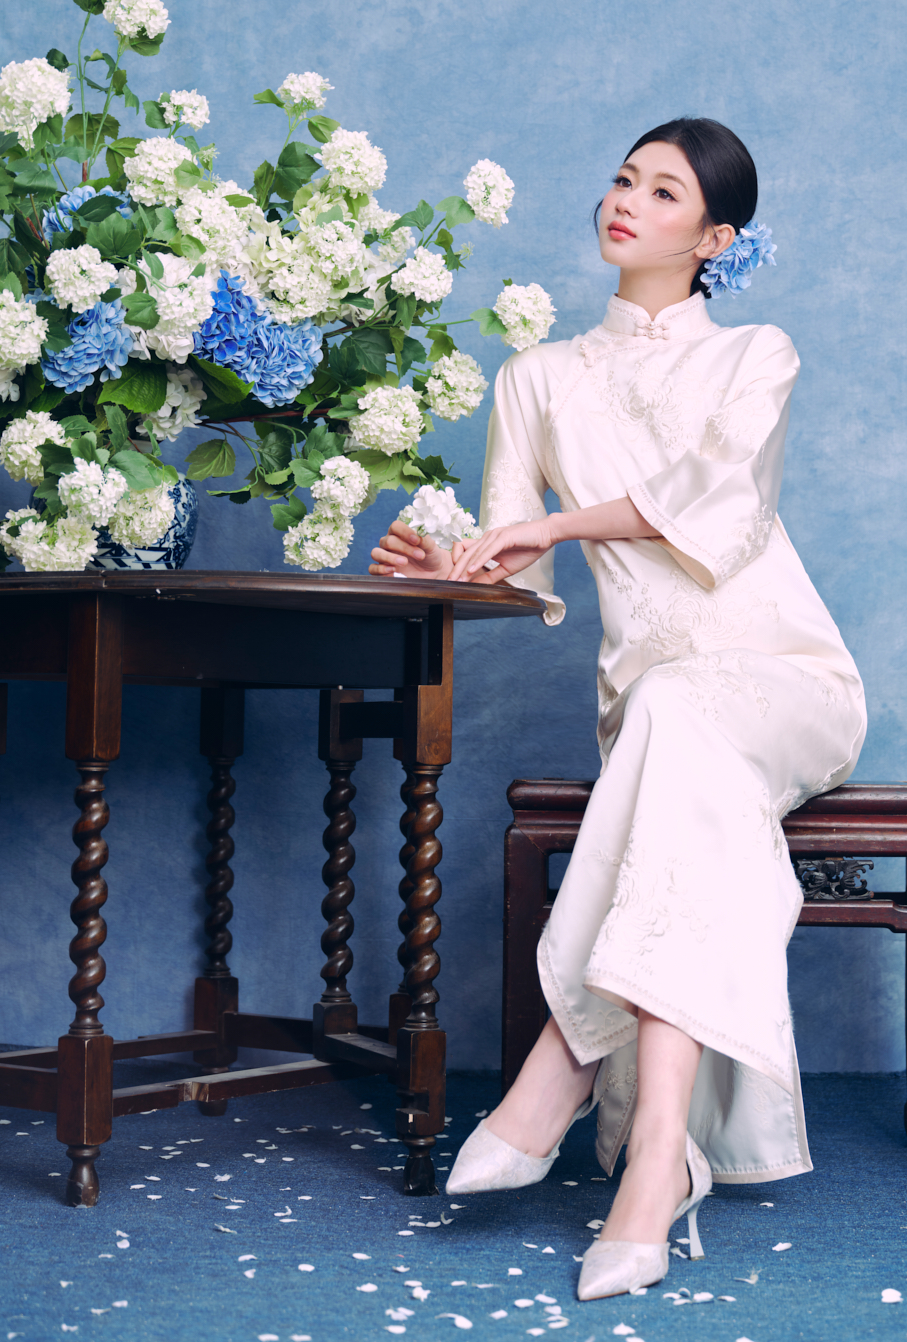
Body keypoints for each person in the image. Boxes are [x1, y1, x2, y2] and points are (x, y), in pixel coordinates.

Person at [369, 118, 867, 1300]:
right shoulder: (535, 378)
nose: (626, 200)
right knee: (670, 714)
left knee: (681, 708)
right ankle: (657, 1164)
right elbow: (518, 568)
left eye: (663, 190)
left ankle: (562, 1064)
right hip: (654, 716)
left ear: (716, 238)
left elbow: (714, 501)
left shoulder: (755, 355)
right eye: (623, 178)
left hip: (787, 680)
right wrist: (446, 564)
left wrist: (551, 518)